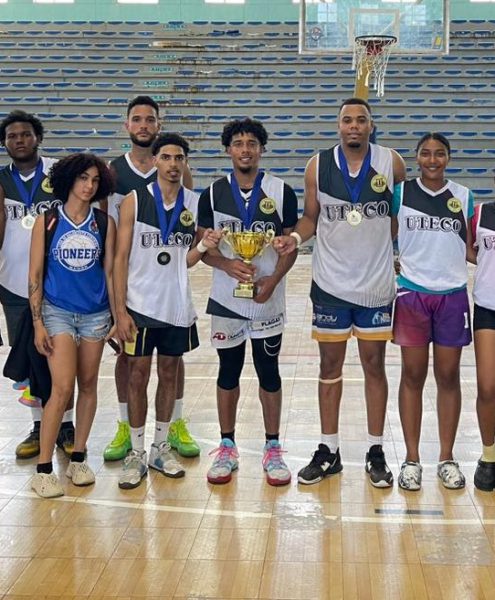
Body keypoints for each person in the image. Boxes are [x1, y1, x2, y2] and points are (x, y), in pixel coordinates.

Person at [274, 97, 406, 487]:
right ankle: (328, 450)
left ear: (370, 126)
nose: (354, 126)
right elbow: (311, 217)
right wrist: (295, 238)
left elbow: (399, 216)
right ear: (339, 126)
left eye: (361, 120)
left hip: (375, 285)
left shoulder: (392, 162)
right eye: (347, 120)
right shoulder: (317, 165)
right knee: (329, 368)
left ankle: (376, 450)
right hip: (330, 284)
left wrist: (394, 252)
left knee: (374, 366)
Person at [114, 133, 219, 490]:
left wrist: (204, 246)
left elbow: (184, 261)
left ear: (186, 163)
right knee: (137, 376)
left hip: (176, 306)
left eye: (179, 158)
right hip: (139, 306)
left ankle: (160, 447)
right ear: (155, 160)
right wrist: (120, 312)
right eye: (167, 157)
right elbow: (119, 259)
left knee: (170, 374)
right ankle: (136, 451)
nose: (173, 164)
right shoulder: (134, 200)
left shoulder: (195, 203)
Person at [197, 118, 298, 486]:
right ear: (228, 150)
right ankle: (227, 445)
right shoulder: (211, 194)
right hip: (227, 300)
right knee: (228, 371)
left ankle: (273, 447)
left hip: (266, 298)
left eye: (251, 143)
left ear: (261, 149)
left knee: (268, 371)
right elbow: (203, 248)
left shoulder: (281, 191)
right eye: (238, 143)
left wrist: (274, 279)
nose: (245, 149)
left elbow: (290, 246)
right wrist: (226, 264)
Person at [103, 95, 198, 462]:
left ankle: (173, 425)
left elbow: (189, 231)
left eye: (150, 119)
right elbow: (108, 232)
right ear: (127, 125)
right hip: (132, 287)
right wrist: (116, 304)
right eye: (137, 119)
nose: (143, 125)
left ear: (158, 125)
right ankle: (126, 427)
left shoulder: (182, 175)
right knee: (129, 363)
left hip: (171, 291)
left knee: (172, 363)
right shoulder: (114, 172)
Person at [29, 153, 116, 498]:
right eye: (83, 178)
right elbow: (35, 274)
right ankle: (43, 469)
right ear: (68, 180)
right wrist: (38, 322)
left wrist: (116, 315)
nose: (89, 185)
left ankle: (78, 458)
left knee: (89, 384)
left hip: (95, 314)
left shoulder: (104, 222)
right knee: (62, 388)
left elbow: (110, 272)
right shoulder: (47, 221)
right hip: (58, 312)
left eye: (95, 180)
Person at [392, 133, 473, 491]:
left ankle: (446, 458)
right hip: (412, 294)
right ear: (417, 158)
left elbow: (471, 249)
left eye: (439, 154)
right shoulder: (401, 194)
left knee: (448, 376)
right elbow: (384, 236)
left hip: (452, 296)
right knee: (412, 375)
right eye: (426, 153)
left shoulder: (463, 196)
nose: (432, 160)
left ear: (448, 158)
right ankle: (411, 459)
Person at [0, 110, 76, 459]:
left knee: (62, 356)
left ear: (38, 138)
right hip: (13, 284)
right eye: (12, 136)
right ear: (5, 143)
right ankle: (38, 424)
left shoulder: (59, 173)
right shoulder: (1, 179)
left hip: (58, 283)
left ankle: (66, 425)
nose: (19, 140)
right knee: (30, 358)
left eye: (26, 134)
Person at [469, 196, 495, 491]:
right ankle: (489, 456)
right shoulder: (480, 213)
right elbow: (468, 249)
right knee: (487, 386)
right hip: (488, 307)